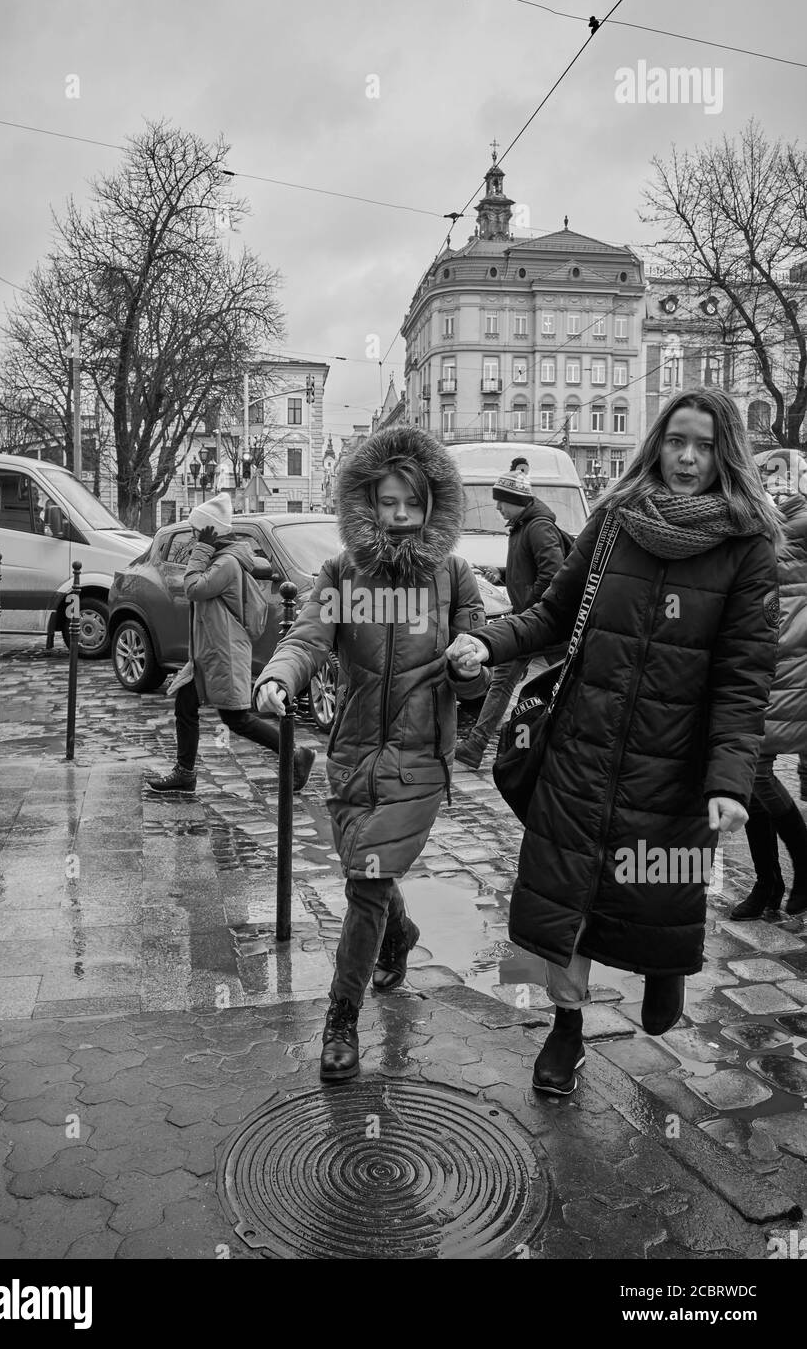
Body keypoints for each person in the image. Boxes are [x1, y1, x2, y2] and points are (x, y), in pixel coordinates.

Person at [447, 388, 781, 1096]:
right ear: (657, 442)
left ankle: (665, 964)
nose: (688, 458)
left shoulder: (748, 547)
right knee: (561, 903)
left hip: (672, 766)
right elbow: (551, 614)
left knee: (652, 888)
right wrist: (484, 638)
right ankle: (565, 1034)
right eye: (676, 440)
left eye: (705, 445)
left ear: (727, 455)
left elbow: (743, 677)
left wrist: (728, 779)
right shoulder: (616, 521)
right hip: (582, 749)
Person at [254, 426, 489, 1082]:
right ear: (366, 502)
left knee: (364, 882)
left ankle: (341, 1019)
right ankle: (400, 934)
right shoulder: (341, 574)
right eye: (386, 503)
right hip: (353, 755)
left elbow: (477, 676)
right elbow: (308, 637)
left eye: (410, 504)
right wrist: (280, 676)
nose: (398, 517)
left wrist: (469, 665)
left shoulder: (453, 578)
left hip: (418, 761)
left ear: (432, 505)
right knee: (372, 875)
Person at [146, 493, 316, 796]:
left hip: (223, 653)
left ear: (211, 531)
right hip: (208, 652)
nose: (195, 536)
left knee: (236, 718)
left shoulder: (226, 563)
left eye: (199, 531)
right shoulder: (221, 558)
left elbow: (194, 587)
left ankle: (295, 753)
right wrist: (203, 550)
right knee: (185, 705)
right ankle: (185, 774)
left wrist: (201, 549)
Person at [731, 449, 807, 919]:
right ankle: (768, 883)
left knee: (753, 775)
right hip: (765, 666)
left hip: (788, 670)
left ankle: (799, 864)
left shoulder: (788, 531)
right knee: (746, 777)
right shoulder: (766, 527)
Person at [455, 471, 568, 769]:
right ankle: (476, 747)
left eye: (501, 502)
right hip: (536, 622)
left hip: (539, 623)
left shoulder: (538, 527)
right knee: (521, 682)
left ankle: (480, 746)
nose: (497, 508)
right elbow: (532, 570)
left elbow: (553, 573)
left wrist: (532, 609)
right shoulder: (522, 527)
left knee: (516, 682)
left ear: (516, 501)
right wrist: (502, 575)